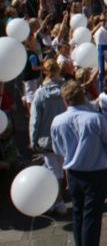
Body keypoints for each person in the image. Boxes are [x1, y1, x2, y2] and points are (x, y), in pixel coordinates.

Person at [51, 80, 107, 246]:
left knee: (78, 213)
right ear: (83, 98)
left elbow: (58, 150)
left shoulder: (58, 121)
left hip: (74, 174)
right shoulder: (96, 119)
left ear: (65, 100)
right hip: (95, 173)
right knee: (92, 216)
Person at [29, 58, 67, 215]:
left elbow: (35, 120)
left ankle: (58, 201)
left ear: (44, 72)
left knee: (53, 170)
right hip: (65, 136)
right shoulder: (66, 89)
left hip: (47, 138)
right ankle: (60, 201)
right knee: (64, 167)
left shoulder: (40, 93)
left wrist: (32, 139)